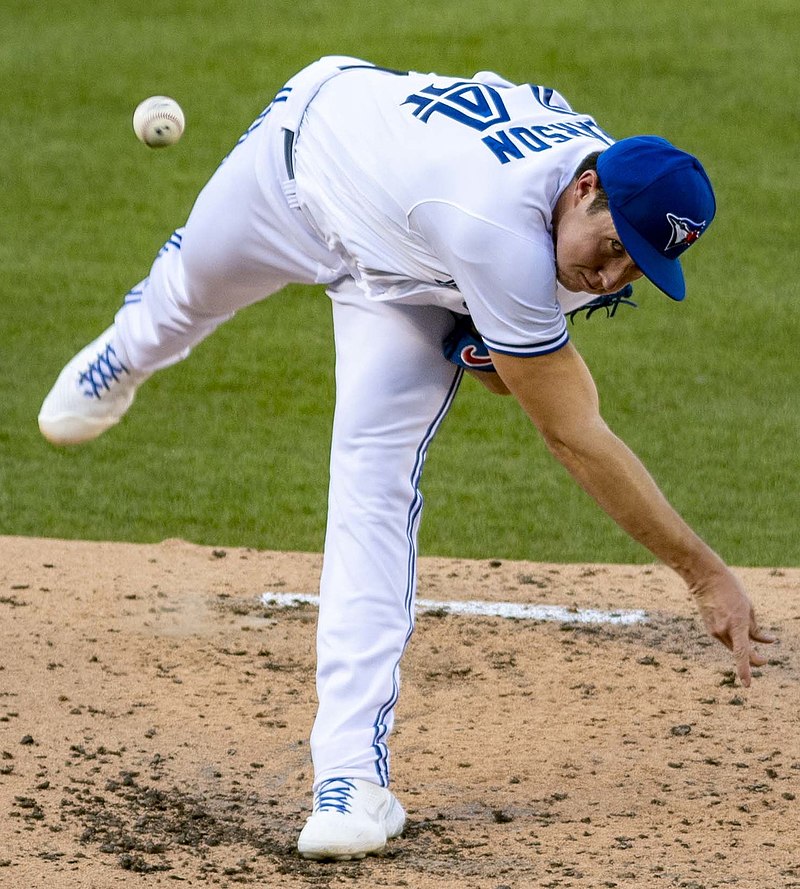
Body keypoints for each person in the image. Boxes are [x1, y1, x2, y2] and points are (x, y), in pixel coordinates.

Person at [38, 55, 775, 861]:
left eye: (637, 264)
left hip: (407, 283)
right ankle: (126, 352)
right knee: (187, 293)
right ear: (584, 189)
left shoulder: (591, 217)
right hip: (302, 163)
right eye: (612, 246)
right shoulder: (498, 219)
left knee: (374, 484)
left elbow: (516, 372)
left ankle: (348, 776)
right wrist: (704, 571)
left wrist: (494, 343)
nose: (612, 273)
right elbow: (571, 431)